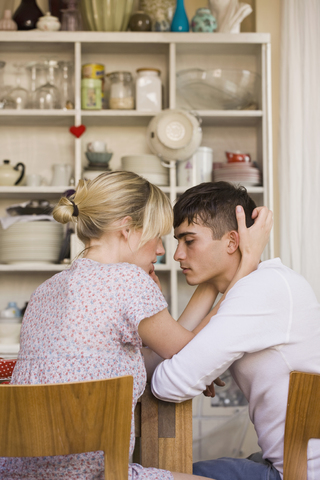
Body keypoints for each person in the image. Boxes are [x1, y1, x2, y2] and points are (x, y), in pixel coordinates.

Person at [0, 172, 270, 480]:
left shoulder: (46, 289)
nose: (160, 250)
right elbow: (190, 352)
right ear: (127, 229)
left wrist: (212, 279)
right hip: (94, 474)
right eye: (156, 236)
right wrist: (245, 264)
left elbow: (170, 349)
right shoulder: (128, 280)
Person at [151, 181, 320, 480]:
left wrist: (191, 364)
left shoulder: (260, 290)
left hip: (298, 472)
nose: (177, 254)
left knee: (165, 474)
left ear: (232, 242)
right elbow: (172, 350)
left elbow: (167, 384)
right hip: (294, 464)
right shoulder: (267, 282)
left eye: (189, 241)